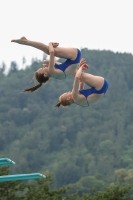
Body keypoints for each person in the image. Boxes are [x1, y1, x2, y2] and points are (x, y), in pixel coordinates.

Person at [11, 37, 81, 92]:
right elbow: (52, 52)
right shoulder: (52, 71)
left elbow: (54, 59)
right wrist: (50, 44)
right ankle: (25, 41)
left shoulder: (55, 73)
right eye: (42, 69)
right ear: (45, 74)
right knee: (49, 50)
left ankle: (26, 41)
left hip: (74, 58)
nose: (43, 67)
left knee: (49, 50)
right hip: (74, 55)